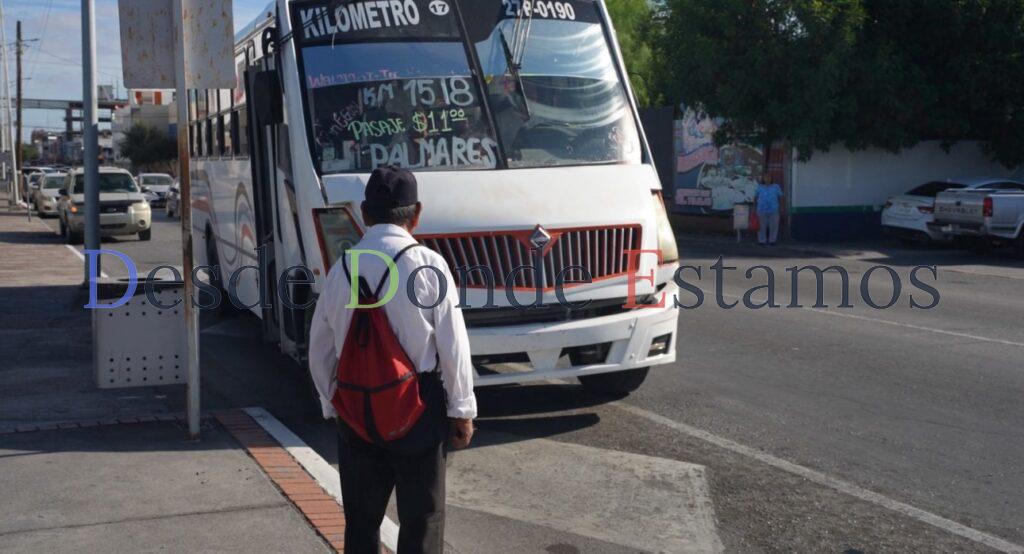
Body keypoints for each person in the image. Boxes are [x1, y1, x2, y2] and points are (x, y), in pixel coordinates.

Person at [308, 166, 477, 554]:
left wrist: (334, 400)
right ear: (416, 213)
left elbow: (320, 347)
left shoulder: (342, 269)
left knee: (362, 522)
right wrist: (461, 409)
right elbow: (453, 345)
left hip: (356, 412)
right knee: (422, 520)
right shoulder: (429, 265)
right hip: (418, 409)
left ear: (365, 214)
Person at [755, 178, 784, 245]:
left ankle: (772, 240)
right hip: (761, 209)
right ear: (763, 179)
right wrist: (754, 207)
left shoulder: (776, 186)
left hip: (773, 209)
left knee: (774, 225)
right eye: (765, 177)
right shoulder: (760, 187)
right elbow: (755, 197)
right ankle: (761, 240)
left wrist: (782, 207)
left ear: (771, 178)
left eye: (769, 177)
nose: (767, 179)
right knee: (761, 226)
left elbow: (781, 196)